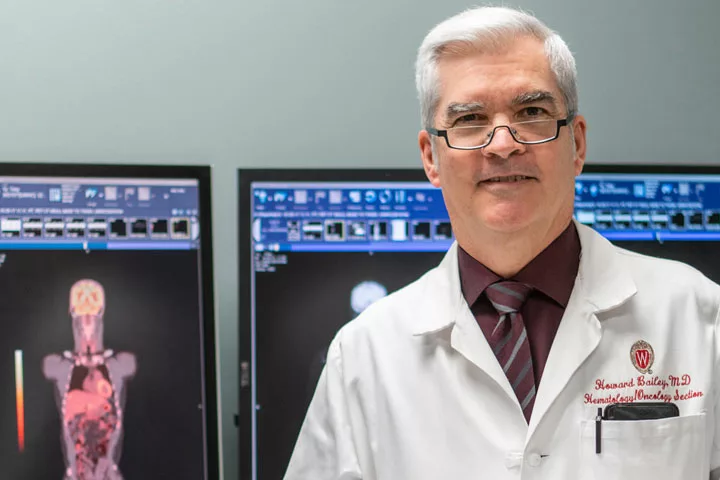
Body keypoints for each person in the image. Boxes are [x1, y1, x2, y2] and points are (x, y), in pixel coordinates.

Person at [284, 6, 720, 479]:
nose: (502, 143)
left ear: (576, 144)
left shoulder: (700, 317)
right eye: (470, 119)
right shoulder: (365, 356)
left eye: (531, 112)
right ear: (431, 157)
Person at [43, 279, 136, 480]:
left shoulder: (119, 365)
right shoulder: (59, 366)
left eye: (92, 315)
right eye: (80, 315)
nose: (87, 322)